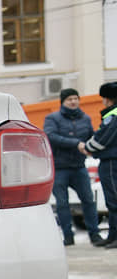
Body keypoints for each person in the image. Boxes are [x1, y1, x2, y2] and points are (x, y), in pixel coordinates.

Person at [44, 88, 102, 246]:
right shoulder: (52, 119)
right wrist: (76, 143)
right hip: (60, 167)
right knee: (62, 204)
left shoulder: (85, 118)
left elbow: (91, 136)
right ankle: (68, 237)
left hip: (79, 167)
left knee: (88, 201)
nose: (73, 102)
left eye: (76, 98)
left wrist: (94, 146)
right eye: (70, 99)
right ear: (63, 101)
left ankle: (95, 235)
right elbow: (51, 136)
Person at [86, 82, 117, 249]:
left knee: (114, 201)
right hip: (111, 160)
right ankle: (112, 236)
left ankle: (115, 236)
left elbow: (102, 138)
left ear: (108, 99)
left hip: (111, 161)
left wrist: (87, 147)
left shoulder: (113, 115)